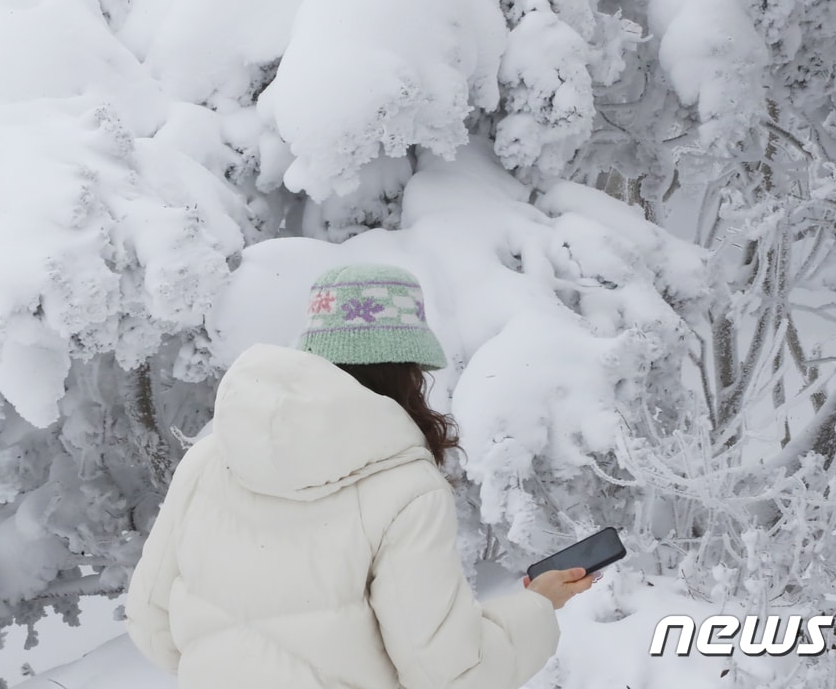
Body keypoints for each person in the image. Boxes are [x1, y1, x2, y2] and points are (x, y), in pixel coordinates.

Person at [125, 262, 593, 688]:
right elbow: (448, 673)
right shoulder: (407, 490)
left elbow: (150, 622)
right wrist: (537, 606)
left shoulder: (209, 459)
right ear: (408, 368)